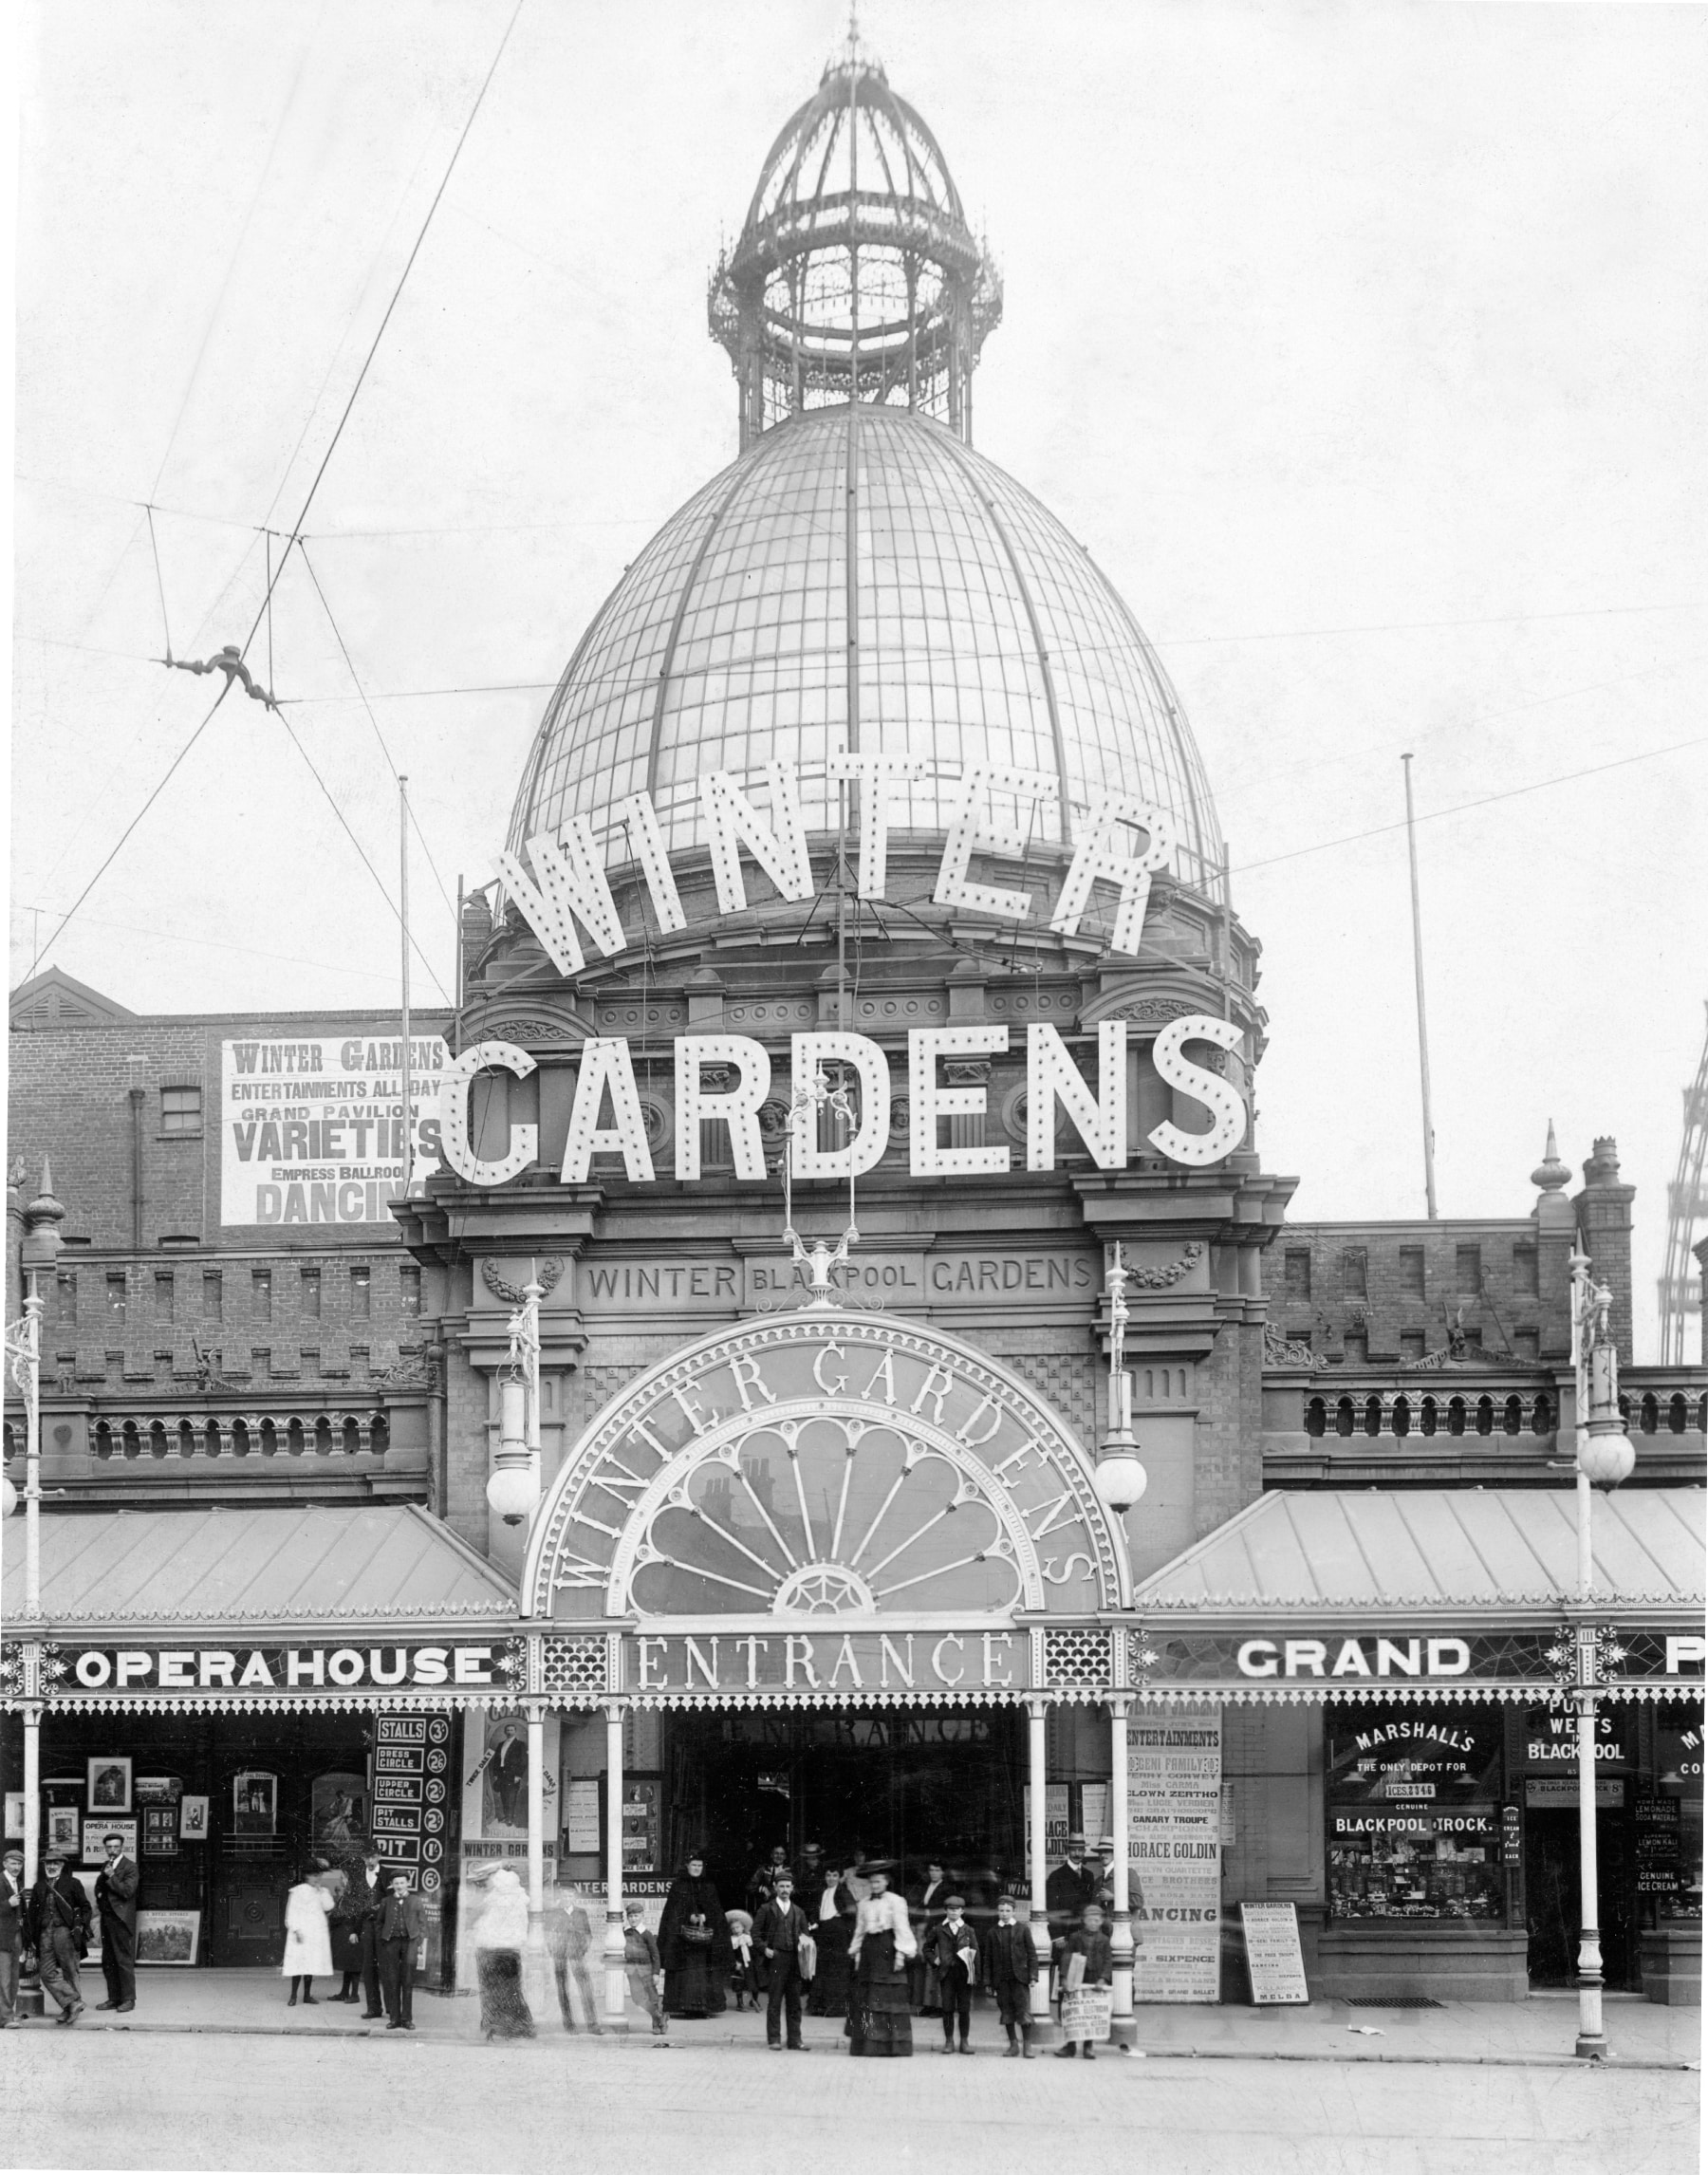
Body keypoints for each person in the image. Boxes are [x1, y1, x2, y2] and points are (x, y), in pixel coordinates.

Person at [846, 1862, 915, 2057]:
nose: (874, 1886)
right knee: (868, 1996)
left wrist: (902, 1953)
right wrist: (856, 1951)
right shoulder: (863, 1903)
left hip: (888, 1949)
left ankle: (892, 2047)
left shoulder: (896, 1901)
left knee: (888, 1996)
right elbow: (860, 1929)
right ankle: (867, 2046)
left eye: (878, 1882)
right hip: (869, 1950)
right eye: (872, 1882)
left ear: (886, 1882)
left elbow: (902, 1927)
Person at [658, 1853, 730, 2018]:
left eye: (699, 1866)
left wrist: (706, 1917)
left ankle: (702, 2008)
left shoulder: (709, 1886)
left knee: (702, 1973)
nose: (696, 1868)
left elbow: (716, 1910)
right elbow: (672, 1912)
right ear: (687, 1866)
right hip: (683, 1942)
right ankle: (684, 2006)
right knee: (686, 1973)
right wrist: (687, 1917)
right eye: (694, 1865)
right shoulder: (678, 1886)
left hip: (704, 1941)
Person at [28, 1850, 90, 2024]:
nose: (52, 1866)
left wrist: (79, 1927)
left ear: (62, 1866)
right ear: (44, 1866)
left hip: (65, 1932)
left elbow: (86, 1908)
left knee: (70, 1970)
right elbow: (33, 1915)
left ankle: (68, 2008)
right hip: (44, 1934)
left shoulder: (73, 1884)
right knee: (46, 1972)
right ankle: (73, 2002)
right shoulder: (39, 1887)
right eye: (49, 1863)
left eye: (56, 1863)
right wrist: (32, 1940)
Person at [474, 1867, 535, 2040]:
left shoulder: (498, 1901)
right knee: (509, 1990)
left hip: (494, 1950)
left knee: (496, 1990)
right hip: (506, 1950)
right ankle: (514, 2025)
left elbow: (485, 1926)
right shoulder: (517, 1902)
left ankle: (499, 2025)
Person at [752, 1871, 810, 2052]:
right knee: (775, 2000)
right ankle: (774, 2039)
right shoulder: (766, 1909)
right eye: (781, 1886)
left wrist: (805, 1945)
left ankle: (795, 2040)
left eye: (787, 1886)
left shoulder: (798, 1911)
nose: (785, 1890)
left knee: (794, 2002)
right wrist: (765, 1949)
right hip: (776, 1958)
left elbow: (805, 1935)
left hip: (794, 1960)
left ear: (792, 1889)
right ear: (775, 1888)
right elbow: (755, 1934)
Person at [1052, 1902, 1113, 2060]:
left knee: (1090, 2014)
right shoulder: (1075, 1937)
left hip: (1094, 1979)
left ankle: (1088, 2047)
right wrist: (1065, 1978)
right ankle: (1070, 2046)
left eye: (1097, 1920)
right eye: (1091, 1920)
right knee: (1072, 2013)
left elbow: (1108, 1961)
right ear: (1084, 1920)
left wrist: (1103, 1979)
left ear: (1101, 1922)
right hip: (1077, 1977)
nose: (1094, 1923)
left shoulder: (1105, 1940)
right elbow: (1066, 1957)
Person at [981, 1892, 1037, 2058]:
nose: (1004, 1914)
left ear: (1014, 1911)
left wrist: (1032, 1975)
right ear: (998, 1912)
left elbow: (1032, 1954)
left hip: (1019, 1978)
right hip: (1001, 1979)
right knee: (1006, 2012)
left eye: (1007, 1910)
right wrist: (988, 1981)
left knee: (1024, 2011)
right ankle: (1013, 2045)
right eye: (1001, 1910)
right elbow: (988, 1958)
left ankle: (1027, 2046)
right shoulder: (993, 1932)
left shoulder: (1022, 1929)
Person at [544, 1880, 603, 2033]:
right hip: (560, 1956)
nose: (567, 1897)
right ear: (560, 1895)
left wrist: (582, 1950)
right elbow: (548, 1935)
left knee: (586, 1989)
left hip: (577, 1956)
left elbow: (588, 1934)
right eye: (564, 1894)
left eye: (570, 1894)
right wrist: (554, 1951)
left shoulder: (581, 1912)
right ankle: (569, 2025)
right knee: (563, 1990)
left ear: (574, 1896)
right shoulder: (553, 1912)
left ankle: (593, 2024)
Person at [923, 1894, 979, 2054]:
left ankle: (964, 2042)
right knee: (947, 2008)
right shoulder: (939, 1929)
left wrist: (976, 1975)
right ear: (946, 1911)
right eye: (950, 1909)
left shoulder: (968, 1930)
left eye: (957, 1910)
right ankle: (949, 2041)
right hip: (946, 1974)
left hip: (964, 1974)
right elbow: (927, 1948)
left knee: (964, 2009)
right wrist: (935, 1960)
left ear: (962, 1911)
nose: (953, 1913)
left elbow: (976, 1953)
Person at [94, 1830, 139, 2013]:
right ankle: (114, 1998)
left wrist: (112, 1876)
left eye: (116, 1846)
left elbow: (127, 1892)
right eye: (109, 1847)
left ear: (122, 1848)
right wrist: (99, 1896)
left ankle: (129, 1999)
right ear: (105, 1848)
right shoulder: (106, 1864)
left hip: (121, 1920)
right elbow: (99, 1886)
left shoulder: (130, 1867)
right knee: (108, 1960)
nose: (112, 1850)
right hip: (107, 1918)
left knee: (123, 1960)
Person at [806, 1856, 857, 2017]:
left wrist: (840, 1926)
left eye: (834, 1876)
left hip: (838, 1936)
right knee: (823, 1970)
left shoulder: (843, 1891)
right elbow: (817, 1912)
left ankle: (836, 2008)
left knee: (837, 1972)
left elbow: (852, 1913)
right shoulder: (823, 1892)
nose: (831, 1879)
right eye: (828, 1875)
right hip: (824, 1934)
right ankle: (820, 2007)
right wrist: (814, 1922)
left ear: (839, 1877)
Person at [377, 1868, 427, 2031]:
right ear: (392, 1885)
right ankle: (394, 2019)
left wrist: (417, 1940)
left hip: (409, 1943)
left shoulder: (416, 1900)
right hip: (391, 1944)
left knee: (407, 1981)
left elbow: (423, 1924)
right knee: (392, 1981)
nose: (399, 1886)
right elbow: (379, 1923)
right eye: (396, 1883)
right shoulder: (386, 1901)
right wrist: (384, 1940)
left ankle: (406, 2019)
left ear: (408, 1883)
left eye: (402, 1883)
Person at [282, 1862, 335, 2006]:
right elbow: (291, 1912)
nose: (317, 1878)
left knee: (310, 1964)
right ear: (306, 1876)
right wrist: (296, 1929)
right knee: (298, 1963)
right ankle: (293, 1995)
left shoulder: (322, 1891)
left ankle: (307, 1995)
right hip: (301, 1932)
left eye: (319, 1875)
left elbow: (329, 1906)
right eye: (313, 1875)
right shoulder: (297, 1891)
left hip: (316, 1933)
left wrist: (322, 1892)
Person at [906, 1859, 950, 2013]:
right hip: (927, 1932)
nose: (934, 1873)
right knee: (928, 1969)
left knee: (938, 1967)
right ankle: (928, 2004)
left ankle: (940, 2006)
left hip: (940, 1932)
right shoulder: (926, 1887)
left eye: (937, 1870)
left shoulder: (947, 1888)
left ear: (942, 1872)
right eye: (931, 1870)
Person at [622, 1901, 666, 2036]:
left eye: (636, 1916)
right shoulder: (624, 1932)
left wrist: (656, 1973)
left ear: (642, 1916)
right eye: (630, 1916)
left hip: (646, 1969)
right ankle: (660, 2016)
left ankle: (656, 2024)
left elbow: (655, 1955)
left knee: (653, 1997)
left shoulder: (646, 1934)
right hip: (632, 1971)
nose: (633, 1919)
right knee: (637, 1998)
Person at [1046, 1831, 1100, 1936]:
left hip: (1085, 1933)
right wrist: (1057, 1936)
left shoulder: (1089, 1875)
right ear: (1068, 1851)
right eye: (1073, 1850)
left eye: (1080, 1850)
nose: (1077, 1854)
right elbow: (1051, 1909)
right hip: (1064, 1933)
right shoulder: (1056, 1876)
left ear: (1084, 1852)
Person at [0, 1847, 26, 2028]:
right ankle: (6, 2018)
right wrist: (7, 1904)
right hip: (2, 1936)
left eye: (20, 1863)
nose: (17, 1867)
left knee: (14, 1977)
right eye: (13, 1863)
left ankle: (8, 2014)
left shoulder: (16, 1882)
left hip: (15, 1935)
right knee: (4, 1979)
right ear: (5, 1864)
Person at [725, 1905, 758, 2012]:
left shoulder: (748, 1938)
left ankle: (754, 2001)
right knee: (739, 1983)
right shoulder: (733, 1940)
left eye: (738, 1927)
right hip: (739, 1963)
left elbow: (753, 1950)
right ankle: (740, 2003)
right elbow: (731, 1953)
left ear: (743, 1927)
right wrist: (735, 1962)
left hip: (749, 1962)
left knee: (753, 1982)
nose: (736, 1930)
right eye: (733, 1928)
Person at [746, 1845, 790, 1918]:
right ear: (771, 1855)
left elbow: (797, 1890)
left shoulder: (789, 1871)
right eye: (776, 1853)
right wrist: (762, 1889)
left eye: (782, 1854)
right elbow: (749, 1886)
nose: (779, 1856)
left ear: (785, 1857)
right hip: (767, 1909)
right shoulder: (763, 1870)